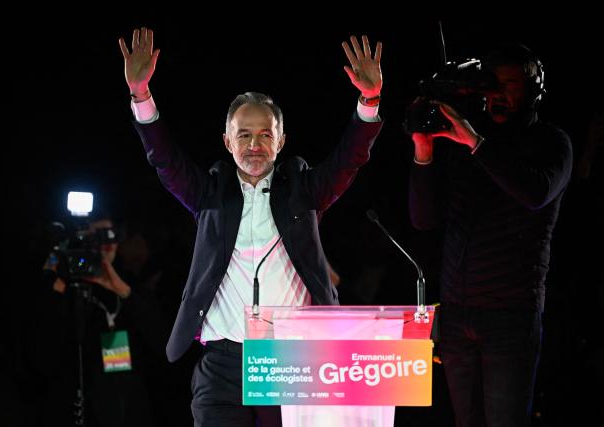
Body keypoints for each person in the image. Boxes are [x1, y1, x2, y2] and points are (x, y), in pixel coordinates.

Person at [118, 27, 383, 426]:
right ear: (227, 141)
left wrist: (369, 100)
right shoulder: (211, 194)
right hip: (223, 362)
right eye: (244, 134)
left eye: (265, 135)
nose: (254, 144)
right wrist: (141, 94)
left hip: (289, 359)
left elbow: (350, 159)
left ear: (281, 141)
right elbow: (165, 161)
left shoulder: (305, 191)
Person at [408, 43, 573, 426]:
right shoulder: (467, 140)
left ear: (535, 89)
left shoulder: (551, 142)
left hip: (509, 316)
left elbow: (534, 192)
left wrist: (474, 142)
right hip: (456, 315)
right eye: (492, 82)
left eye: (511, 83)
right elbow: (423, 218)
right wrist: (423, 151)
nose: (498, 92)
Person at [29, 214, 174, 427]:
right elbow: (41, 353)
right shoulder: (65, 288)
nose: (104, 245)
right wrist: (56, 272)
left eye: (109, 236)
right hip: (76, 405)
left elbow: (164, 344)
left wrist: (124, 291)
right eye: (94, 238)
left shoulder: (131, 287)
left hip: (128, 410)